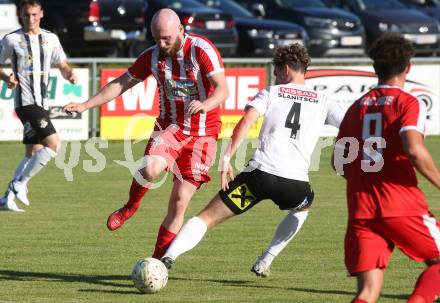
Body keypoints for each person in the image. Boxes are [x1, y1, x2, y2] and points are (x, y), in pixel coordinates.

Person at [160, 43, 344, 277]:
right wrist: (341, 150)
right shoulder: (325, 101)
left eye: (276, 71)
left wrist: (227, 157)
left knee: (205, 218)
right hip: (294, 186)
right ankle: (266, 260)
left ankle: (167, 258)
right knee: (305, 205)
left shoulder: (271, 92)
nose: (276, 76)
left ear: (285, 69)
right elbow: (350, 125)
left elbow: (247, 121)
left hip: (257, 179)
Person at [63, 8, 229, 259]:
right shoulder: (151, 57)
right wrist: (85, 105)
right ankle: (130, 207)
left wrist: (206, 104)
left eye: (167, 39)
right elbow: (120, 84)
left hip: (204, 134)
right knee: (149, 168)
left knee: (180, 201)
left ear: (181, 31)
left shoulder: (201, 51)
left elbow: (223, 90)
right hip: (171, 127)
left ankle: (158, 262)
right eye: (156, 39)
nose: (161, 44)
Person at [332, 34, 440, 303]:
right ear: (408, 67)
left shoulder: (355, 108)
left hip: (361, 208)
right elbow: (414, 149)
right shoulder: (407, 102)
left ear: (376, 68)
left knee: (367, 293)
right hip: (400, 204)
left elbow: (339, 161)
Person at [0, 0, 77, 212]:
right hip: (25, 103)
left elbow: (62, 64)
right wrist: (7, 76)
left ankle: (6, 199)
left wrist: (68, 73)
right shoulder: (11, 39)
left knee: (33, 152)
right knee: (54, 144)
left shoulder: (50, 39)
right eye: (26, 15)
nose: (30, 19)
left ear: (41, 14)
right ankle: (18, 185)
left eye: (34, 14)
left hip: (42, 103)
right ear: (20, 15)